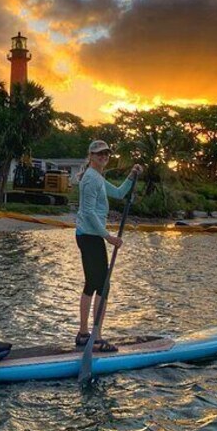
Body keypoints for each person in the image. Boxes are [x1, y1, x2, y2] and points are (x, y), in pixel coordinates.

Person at [75, 140, 142, 352]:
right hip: (90, 236)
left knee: (94, 284)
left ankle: (85, 334)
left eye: (106, 153)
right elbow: (88, 213)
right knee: (102, 286)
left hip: (90, 236)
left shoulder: (97, 177)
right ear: (91, 156)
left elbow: (120, 193)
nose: (104, 156)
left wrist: (132, 176)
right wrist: (108, 237)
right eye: (99, 154)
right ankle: (94, 336)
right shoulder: (90, 180)